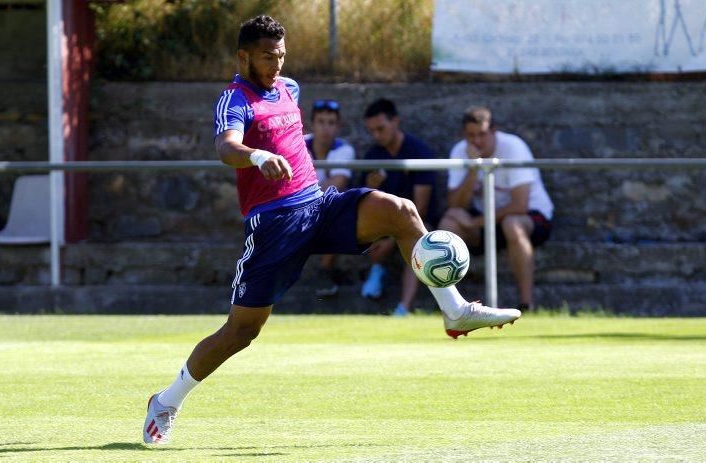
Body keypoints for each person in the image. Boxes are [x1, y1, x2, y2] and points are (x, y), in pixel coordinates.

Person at [142, 16, 521, 446]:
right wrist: (255, 156)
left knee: (401, 211)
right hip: (274, 226)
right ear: (243, 56)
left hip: (319, 204)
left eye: (281, 56)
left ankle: (454, 310)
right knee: (240, 333)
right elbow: (226, 147)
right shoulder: (235, 99)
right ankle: (167, 400)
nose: (276, 65)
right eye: (268, 58)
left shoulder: (290, 88)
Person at [439, 106, 554, 311]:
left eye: (482, 134)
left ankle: (526, 304)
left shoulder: (514, 147)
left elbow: (520, 205)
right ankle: (452, 306)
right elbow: (455, 204)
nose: (476, 141)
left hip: (529, 216)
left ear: (494, 131)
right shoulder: (460, 151)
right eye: (470, 136)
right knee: (449, 223)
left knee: (512, 224)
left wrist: (475, 222)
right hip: (487, 220)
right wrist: (474, 169)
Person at [359, 98, 439, 317]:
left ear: (395, 121)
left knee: (417, 245)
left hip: (420, 223)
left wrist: (393, 241)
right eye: (372, 130)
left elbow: (420, 208)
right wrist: (369, 187)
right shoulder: (372, 156)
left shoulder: (419, 151)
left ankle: (404, 307)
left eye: (381, 128)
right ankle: (376, 271)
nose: (376, 135)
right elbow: (363, 204)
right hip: (385, 226)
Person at [305, 98, 356, 297]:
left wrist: (307, 189)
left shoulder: (345, 150)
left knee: (335, 212)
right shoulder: (298, 145)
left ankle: (324, 270)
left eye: (331, 122)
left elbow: (338, 184)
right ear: (312, 124)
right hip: (298, 206)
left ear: (338, 126)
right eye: (321, 122)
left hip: (328, 208)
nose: (326, 128)